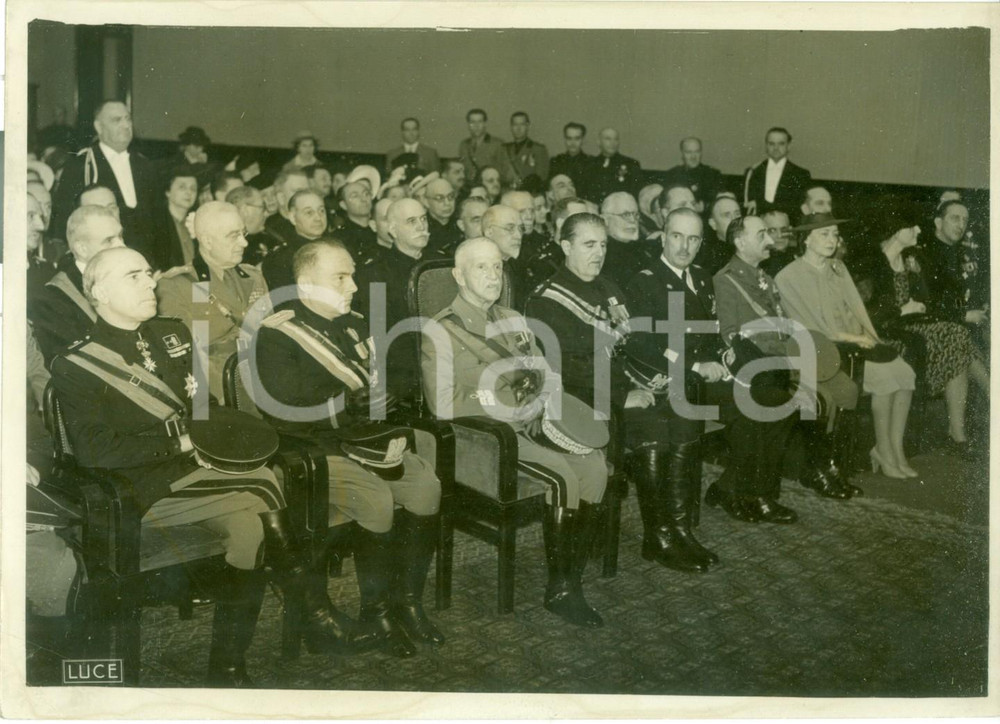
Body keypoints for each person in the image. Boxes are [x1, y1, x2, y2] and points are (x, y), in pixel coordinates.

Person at [51, 246, 362, 685]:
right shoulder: (77, 364)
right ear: (98, 293)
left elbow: (206, 407)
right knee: (266, 484)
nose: (150, 283)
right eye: (133, 276)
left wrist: (213, 441)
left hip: (200, 469)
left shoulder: (173, 334)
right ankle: (314, 612)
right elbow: (94, 452)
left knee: (252, 525)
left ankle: (228, 665)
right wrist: (179, 442)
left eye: (148, 273)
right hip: (142, 486)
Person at [256, 240, 443, 657]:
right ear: (306, 285)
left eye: (352, 274)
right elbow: (283, 415)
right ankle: (375, 613)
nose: (353, 285)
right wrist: (346, 406)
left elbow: (379, 385)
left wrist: (386, 400)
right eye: (340, 277)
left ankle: (405, 604)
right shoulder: (277, 336)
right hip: (314, 452)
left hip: (364, 442)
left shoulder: (354, 324)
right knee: (376, 499)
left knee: (427, 487)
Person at [422, 238, 608, 626]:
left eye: (497, 267)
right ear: (458, 275)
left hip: (534, 425)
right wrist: (503, 403)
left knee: (594, 466)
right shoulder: (441, 331)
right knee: (562, 478)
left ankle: (569, 575)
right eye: (481, 268)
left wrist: (547, 396)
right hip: (490, 440)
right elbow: (442, 404)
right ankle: (561, 592)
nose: (493, 276)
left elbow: (543, 372)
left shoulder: (514, 319)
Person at [526, 213, 719, 572]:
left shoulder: (610, 287)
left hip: (624, 386)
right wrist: (622, 394)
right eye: (588, 245)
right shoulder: (547, 300)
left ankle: (676, 529)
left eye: (603, 245)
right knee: (652, 426)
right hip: (581, 401)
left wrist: (647, 379)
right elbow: (570, 368)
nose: (598, 253)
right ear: (566, 247)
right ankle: (657, 534)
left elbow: (631, 344)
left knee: (683, 415)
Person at [631, 209, 799, 525]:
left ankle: (742, 488)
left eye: (693, 239)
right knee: (750, 404)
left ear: (701, 243)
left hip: (709, 375)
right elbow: (642, 345)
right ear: (663, 238)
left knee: (778, 401)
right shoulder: (645, 282)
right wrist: (695, 364)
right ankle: (741, 494)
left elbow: (714, 333)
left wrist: (725, 356)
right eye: (677, 237)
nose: (684, 246)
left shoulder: (702, 279)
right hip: (675, 380)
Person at [715, 216, 861, 500]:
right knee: (818, 398)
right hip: (761, 365)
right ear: (740, 242)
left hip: (785, 358)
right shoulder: (727, 279)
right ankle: (813, 469)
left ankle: (825, 466)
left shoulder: (764, 278)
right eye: (761, 235)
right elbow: (731, 333)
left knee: (844, 389)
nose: (769, 240)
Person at [776, 213, 918, 479]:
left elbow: (856, 310)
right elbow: (810, 326)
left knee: (904, 374)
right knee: (887, 378)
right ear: (805, 239)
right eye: (824, 234)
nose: (832, 240)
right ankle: (884, 452)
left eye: (834, 234)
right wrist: (855, 340)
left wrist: (868, 337)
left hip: (856, 341)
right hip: (825, 351)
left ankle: (895, 450)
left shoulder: (837, 268)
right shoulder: (789, 276)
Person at [853, 204, 989, 452]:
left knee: (956, 339)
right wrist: (901, 311)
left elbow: (926, 301)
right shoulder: (871, 262)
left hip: (912, 328)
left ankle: (958, 434)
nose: (917, 229)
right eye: (911, 226)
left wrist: (915, 287)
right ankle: (965, 425)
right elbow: (865, 312)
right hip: (885, 332)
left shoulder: (910, 260)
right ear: (895, 231)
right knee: (956, 336)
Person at [156, 201, 268, 400]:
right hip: (224, 394)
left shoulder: (253, 276)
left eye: (244, 234)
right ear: (207, 241)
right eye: (234, 235)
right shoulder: (177, 285)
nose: (244, 243)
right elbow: (187, 360)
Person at [50, 101, 158, 261]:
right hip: (101, 259)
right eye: (116, 120)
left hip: (146, 259)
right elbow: (64, 220)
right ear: (99, 127)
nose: (126, 125)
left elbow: (156, 219)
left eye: (128, 119)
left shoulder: (144, 165)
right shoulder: (81, 165)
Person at [355, 198, 431, 403]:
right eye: (411, 221)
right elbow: (381, 336)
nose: (421, 226)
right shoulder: (375, 274)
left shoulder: (440, 264)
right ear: (393, 230)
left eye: (423, 219)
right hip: (408, 377)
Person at [31, 206, 125, 364]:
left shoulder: (129, 279)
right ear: (82, 249)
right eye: (109, 240)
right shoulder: (52, 299)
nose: (122, 246)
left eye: (121, 236)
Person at [920, 200, 989, 350]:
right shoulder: (925, 256)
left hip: (968, 325)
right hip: (941, 331)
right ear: (938, 223)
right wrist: (965, 315)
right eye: (955, 218)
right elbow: (927, 303)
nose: (961, 225)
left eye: (965, 220)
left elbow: (966, 291)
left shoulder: (961, 253)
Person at [261, 190, 330, 293]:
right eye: (309, 212)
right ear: (293, 217)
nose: (318, 218)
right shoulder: (280, 259)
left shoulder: (339, 247)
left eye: (321, 211)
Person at [743, 127, 812, 217]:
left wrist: (760, 206)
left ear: (789, 146)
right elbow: (747, 204)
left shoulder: (801, 174)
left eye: (781, 144)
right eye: (771, 144)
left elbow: (796, 206)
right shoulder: (753, 171)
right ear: (766, 146)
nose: (776, 148)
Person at [599, 191, 657, 291]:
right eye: (625, 214)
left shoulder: (647, 249)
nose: (632, 220)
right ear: (605, 220)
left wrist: (677, 307)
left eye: (635, 214)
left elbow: (674, 285)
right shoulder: (601, 257)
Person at [150, 167, 199, 271]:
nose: (189, 192)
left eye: (193, 188)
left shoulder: (197, 221)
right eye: (182, 187)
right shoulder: (155, 224)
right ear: (168, 192)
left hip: (197, 284)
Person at [662, 137, 724, 213]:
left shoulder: (713, 175)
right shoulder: (672, 175)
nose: (693, 157)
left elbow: (721, 202)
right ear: (682, 153)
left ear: (701, 153)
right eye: (688, 152)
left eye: (697, 151)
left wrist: (705, 206)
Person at [227, 185, 280, 265]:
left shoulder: (270, 235)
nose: (266, 213)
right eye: (262, 207)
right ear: (245, 210)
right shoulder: (232, 250)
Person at [590, 127, 642, 201]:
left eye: (616, 139)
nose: (613, 143)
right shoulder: (589, 164)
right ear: (598, 142)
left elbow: (636, 193)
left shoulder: (631, 164)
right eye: (608, 139)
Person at [697, 195, 743, 276]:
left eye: (737, 214)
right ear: (713, 223)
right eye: (727, 215)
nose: (734, 220)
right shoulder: (708, 259)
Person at [335, 180, 379, 264]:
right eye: (355, 196)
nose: (363, 199)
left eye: (366, 194)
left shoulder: (378, 229)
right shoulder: (341, 239)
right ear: (343, 205)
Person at [458, 109, 506, 183]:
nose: (476, 126)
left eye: (480, 121)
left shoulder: (498, 144)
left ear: (485, 124)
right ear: (468, 125)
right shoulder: (464, 145)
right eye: (472, 122)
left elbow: (504, 172)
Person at [502, 111, 549, 188]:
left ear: (528, 126)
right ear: (511, 127)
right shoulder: (504, 149)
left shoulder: (538, 150)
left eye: (522, 124)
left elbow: (541, 179)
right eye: (515, 124)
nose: (518, 128)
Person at [549, 122, 593, 201]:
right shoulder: (556, 161)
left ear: (582, 140)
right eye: (569, 138)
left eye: (577, 138)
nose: (572, 143)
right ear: (565, 139)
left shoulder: (591, 162)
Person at [422, 178, 462, 257]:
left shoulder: (460, 225)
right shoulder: (423, 228)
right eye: (439, 198)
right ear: (426, 202)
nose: (447, 203)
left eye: (451, 196)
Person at [760, 209, 795, 277]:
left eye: (783, 230)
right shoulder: (759, 265)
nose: (779, 235)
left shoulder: (798, 259)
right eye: (772, 230)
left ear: (790, 231)